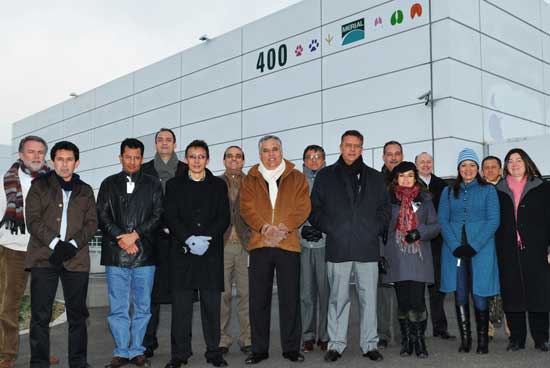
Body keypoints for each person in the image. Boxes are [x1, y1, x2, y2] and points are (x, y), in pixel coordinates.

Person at [310, 130, 390, 362]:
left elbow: (385, 210)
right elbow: (315, 210)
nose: (352, 149)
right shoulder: (325, 176)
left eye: (356, 145)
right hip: (338, 246)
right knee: (338, 298)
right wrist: (333, 228)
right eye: (348, 145)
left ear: (362, 148)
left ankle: (369, 344)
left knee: (369, 299)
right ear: (340, 146)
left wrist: (373, 229)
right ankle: (335, 344)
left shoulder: (375, 177)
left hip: (367, 247)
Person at [25, 141, 97, 368]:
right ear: (52, 161)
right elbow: (33, 220)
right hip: (44, 257)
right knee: (40, 316)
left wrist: (73, 244)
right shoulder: (39, 186)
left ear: (76, 162)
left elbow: (92, 222)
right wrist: (57, 244)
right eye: (60, 159)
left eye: (69, 160)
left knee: (77, 316)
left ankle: (78, 362)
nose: (64, 164)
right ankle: (38, 363)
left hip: (76, 260)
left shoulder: (85, 190)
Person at [240, 135, 311, 364]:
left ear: (282, 151)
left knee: (290, 299)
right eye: (266, 151)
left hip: (288, 243)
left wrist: (283, 228)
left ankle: (291, 348)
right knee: (258, 300)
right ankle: (259, 349)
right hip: (260, 244)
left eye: (275, 149)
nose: (271, 154)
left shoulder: (297, 177)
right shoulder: (250, 178)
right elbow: (245, 208)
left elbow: (303, 207)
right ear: (259, 154)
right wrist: (264, 228)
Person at [163, 140, 230, 367]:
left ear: (208, 160)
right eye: (192, 156)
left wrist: (205, 239)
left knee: (212, 308)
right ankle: (180, 355)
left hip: (210, 254)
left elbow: (224, 218)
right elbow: (171, 216)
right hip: (183, 254)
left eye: (201, 156)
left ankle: (214, 353)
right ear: (187, 159)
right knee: (181, 309)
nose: (197, 161)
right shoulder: (173, 185)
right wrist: (189, 239)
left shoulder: (219, 185)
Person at [97, 138, 163, 368]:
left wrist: (135, 235)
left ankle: (137, 350)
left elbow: (158, 215)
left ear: (142, 159)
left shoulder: (154, 184)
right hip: (116, 255)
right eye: (128, 156)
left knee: (144, 307)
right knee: (118, 307)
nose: (132, 161)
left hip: (145, 255)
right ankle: (121, 351)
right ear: (121, 158)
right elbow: (102, 216)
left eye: (137, 157)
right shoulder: (108, 184)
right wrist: (123, 238)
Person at [438, 148, 500, 354]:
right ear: (458, 168)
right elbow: (443, 221)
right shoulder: (448, 192)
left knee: (480, 293)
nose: (468, 169)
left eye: (472, 165)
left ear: (477, 168)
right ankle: (466, 340)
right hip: (454, 251)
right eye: (464, 165)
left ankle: (483, 341)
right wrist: (455, 245)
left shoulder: (488, 190)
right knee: (461, 292)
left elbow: (493, 221)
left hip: (480, 250)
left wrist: (475, 245)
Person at [0, 136, 51, 368]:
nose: (36, 156)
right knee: (8, 305)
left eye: (40, 152)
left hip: (43, 250)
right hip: (13, 250)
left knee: (42, 307)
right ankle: (7, 354)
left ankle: (41, 353)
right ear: (21, 155)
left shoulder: (53, 180)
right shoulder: (6, 180)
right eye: (31, 152)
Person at [381, 161, 439, 358]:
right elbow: (382, 230)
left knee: (417, 301)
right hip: (396, 256)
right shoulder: (388, 201)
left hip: (418, 255)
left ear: (416, 178)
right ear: (396, 178)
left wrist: (419, 232)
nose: (405, 179)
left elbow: (435, 226)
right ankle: (406, 341)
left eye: (410, 176)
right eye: (401, 176)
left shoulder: (425, 199)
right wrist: (381, 254)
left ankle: (419, 340)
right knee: (403, 301)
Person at [494, 148, 550, 352]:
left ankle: (542, 338)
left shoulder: (543, 188)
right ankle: (516, 339)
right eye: (510, 161)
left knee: (539, 295)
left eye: (519, 160)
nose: (515, 164)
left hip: (536, 250)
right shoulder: (498, 190)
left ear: (527, 162)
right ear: (506, 166)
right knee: (512, 295)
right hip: (507, 251)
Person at [141, 128, 187, 358]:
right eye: (160, 140)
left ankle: (180, 347)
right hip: (152, 240)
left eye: (169, 140)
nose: (165, 143)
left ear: (175, 144)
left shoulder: (186, 169)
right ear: (156, 144)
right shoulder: (145, 170)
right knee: (152, 296)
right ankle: (148, 342)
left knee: (181, 294)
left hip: (180, 240)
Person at [415, 152, 455, 340]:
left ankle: (440, 328)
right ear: (416, 165)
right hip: (417, 241)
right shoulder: (410, 184)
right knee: (416, 288)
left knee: (437, 289)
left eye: (429, 161)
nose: (426, 164)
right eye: (422, 162)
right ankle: (418, 329)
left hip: (438, 243)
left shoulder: (443, 186)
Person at [218, 146, 251, 355]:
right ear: (223, 160)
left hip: (245, 246)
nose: (234, 159)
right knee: (223, 295)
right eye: (230, 156)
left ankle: (247, 338)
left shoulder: (253, 183)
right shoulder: (215, 183)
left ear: (243, 161)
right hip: (221, 247)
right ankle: (222, 338)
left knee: (246, 294)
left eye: (238, 156)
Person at [299, 145, 329, 353]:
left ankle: (325, 335)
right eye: (309, 157)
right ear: (304, 161)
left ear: (324, 160)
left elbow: (337, 210)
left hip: (325, 244)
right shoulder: (296, 182)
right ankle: (307, 335)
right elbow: (290, 209)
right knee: (306, 293)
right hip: (302, 244)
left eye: (317, 157)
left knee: (326, 292)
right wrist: (302, 230)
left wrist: (323, 231)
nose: (313, 160)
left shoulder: (331, 181)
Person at [377, 140, 403, 348]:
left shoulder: (409, 179)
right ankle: (382, 333)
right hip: (381, 240)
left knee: (404, 288)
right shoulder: (375, 180)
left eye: (397, 154)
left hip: (405, 243)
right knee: (383, 290)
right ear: (383, 157)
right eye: (389, 154)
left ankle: (404, 332)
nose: (393, 157)